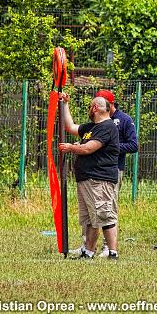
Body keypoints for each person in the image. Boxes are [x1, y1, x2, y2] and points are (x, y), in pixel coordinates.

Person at [58, 94, 120, 259]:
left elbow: (89, 148)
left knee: (104, 215)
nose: (88, 111)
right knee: (92, 219)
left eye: (89, 107)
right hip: (87, 179)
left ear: (95, 108)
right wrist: (65, 104)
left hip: (99, 179)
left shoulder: (107, 127)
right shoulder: (91, 127)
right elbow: (70, 126)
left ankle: (112, 252)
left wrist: (71, 147)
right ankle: (88, 252)